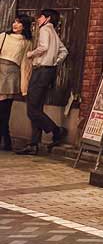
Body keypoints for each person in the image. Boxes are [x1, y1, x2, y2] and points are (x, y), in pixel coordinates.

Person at [18, 9, 67, 154]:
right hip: (48, 72)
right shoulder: (53, 32)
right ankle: (33, 144)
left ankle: (56, 130)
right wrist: (54, 62)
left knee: (32, 109)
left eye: (41, 17)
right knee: (37, 108)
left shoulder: (45, 29)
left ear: (48, 18)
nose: (38, 19)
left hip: (40, 71)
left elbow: (43, 47)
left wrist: (30, 54)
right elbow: (64, 51)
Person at [0, 13, 32, 151]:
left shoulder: (27, 42)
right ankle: (6, 140)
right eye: (15, 21)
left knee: (5, 110)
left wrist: (24, 86)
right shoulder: (3, 36)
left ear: (24, 26)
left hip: (13, 74)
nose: (15, 24)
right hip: (0, 70)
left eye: (19, 22)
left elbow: (26, 64)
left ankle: (6, 141)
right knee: (2, 109)